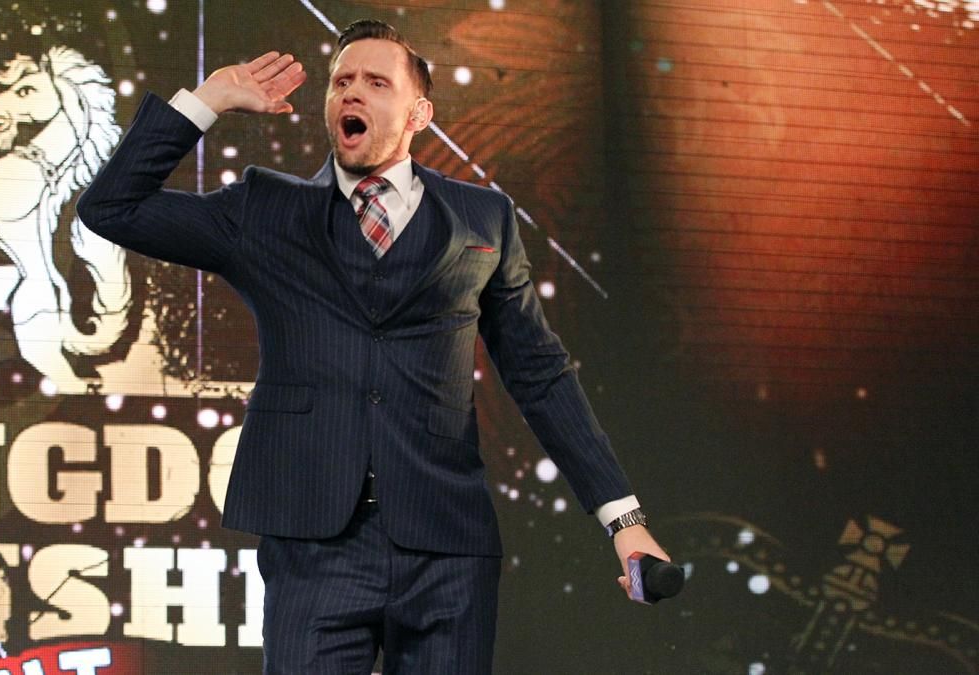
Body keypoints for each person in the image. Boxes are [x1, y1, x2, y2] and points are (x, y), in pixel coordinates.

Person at [78, 19, 669, 674]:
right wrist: (207, 101)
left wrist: (624, 520)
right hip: (313, 546)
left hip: (447, 548)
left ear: (419, 113)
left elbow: (540, 374)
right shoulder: (264, 210)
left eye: (376, 82)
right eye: (341, 82)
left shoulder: (483, 218)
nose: (351, 93)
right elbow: (111, 208)